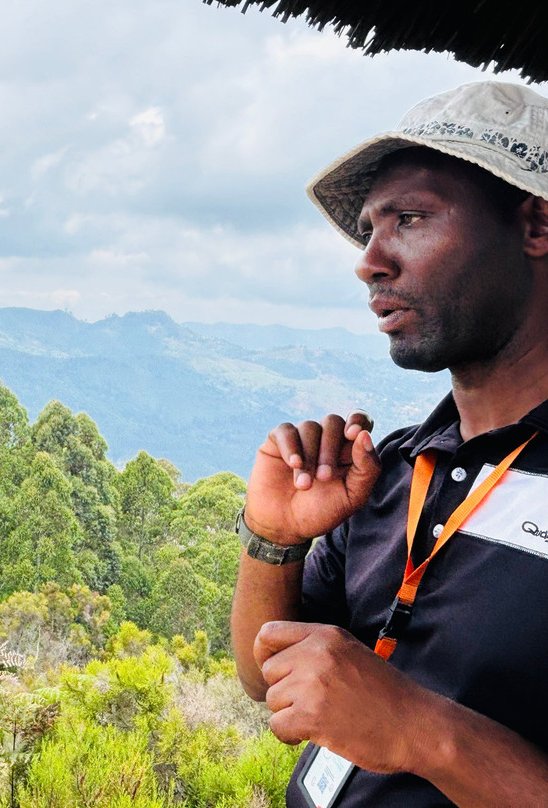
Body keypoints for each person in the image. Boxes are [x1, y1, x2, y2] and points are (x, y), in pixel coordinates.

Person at [230, 81, 548, 807]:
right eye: (370, 229)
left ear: (535, 225)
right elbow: (265, 675)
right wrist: (274, 541)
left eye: (409, 218)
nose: (369, 261)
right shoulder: (396, 466)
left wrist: (419, 730)